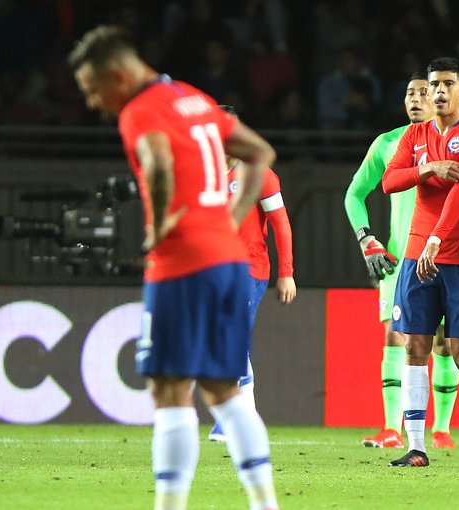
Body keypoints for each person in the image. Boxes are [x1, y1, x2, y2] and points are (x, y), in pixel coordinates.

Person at [69, 26, 279, 510]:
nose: (93, 103)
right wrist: (229, 218)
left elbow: (159, 163)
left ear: (117, 75)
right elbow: (260, 153)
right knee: (225, 390)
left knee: (168, 388)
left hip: (181, 263)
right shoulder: (194, 99)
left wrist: (160, 224)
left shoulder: (140, 111)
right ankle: (266, 503)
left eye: (93, 90)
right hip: (230, 261)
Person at [344, 72, 459, 450]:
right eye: (414, 91)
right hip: (404, 259)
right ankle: (399, 433)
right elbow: (358, 193)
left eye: (431, 89)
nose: (421, 97)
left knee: (454, 350)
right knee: (404, 340)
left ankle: (447, 427)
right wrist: (367, 240)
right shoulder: (392, 142)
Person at [209, 104, 297, 442]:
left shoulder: (259, 174)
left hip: (249, 268)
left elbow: (280, 224)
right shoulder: (206, 175)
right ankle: (238, 418)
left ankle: (236, 421)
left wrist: (286, 272)